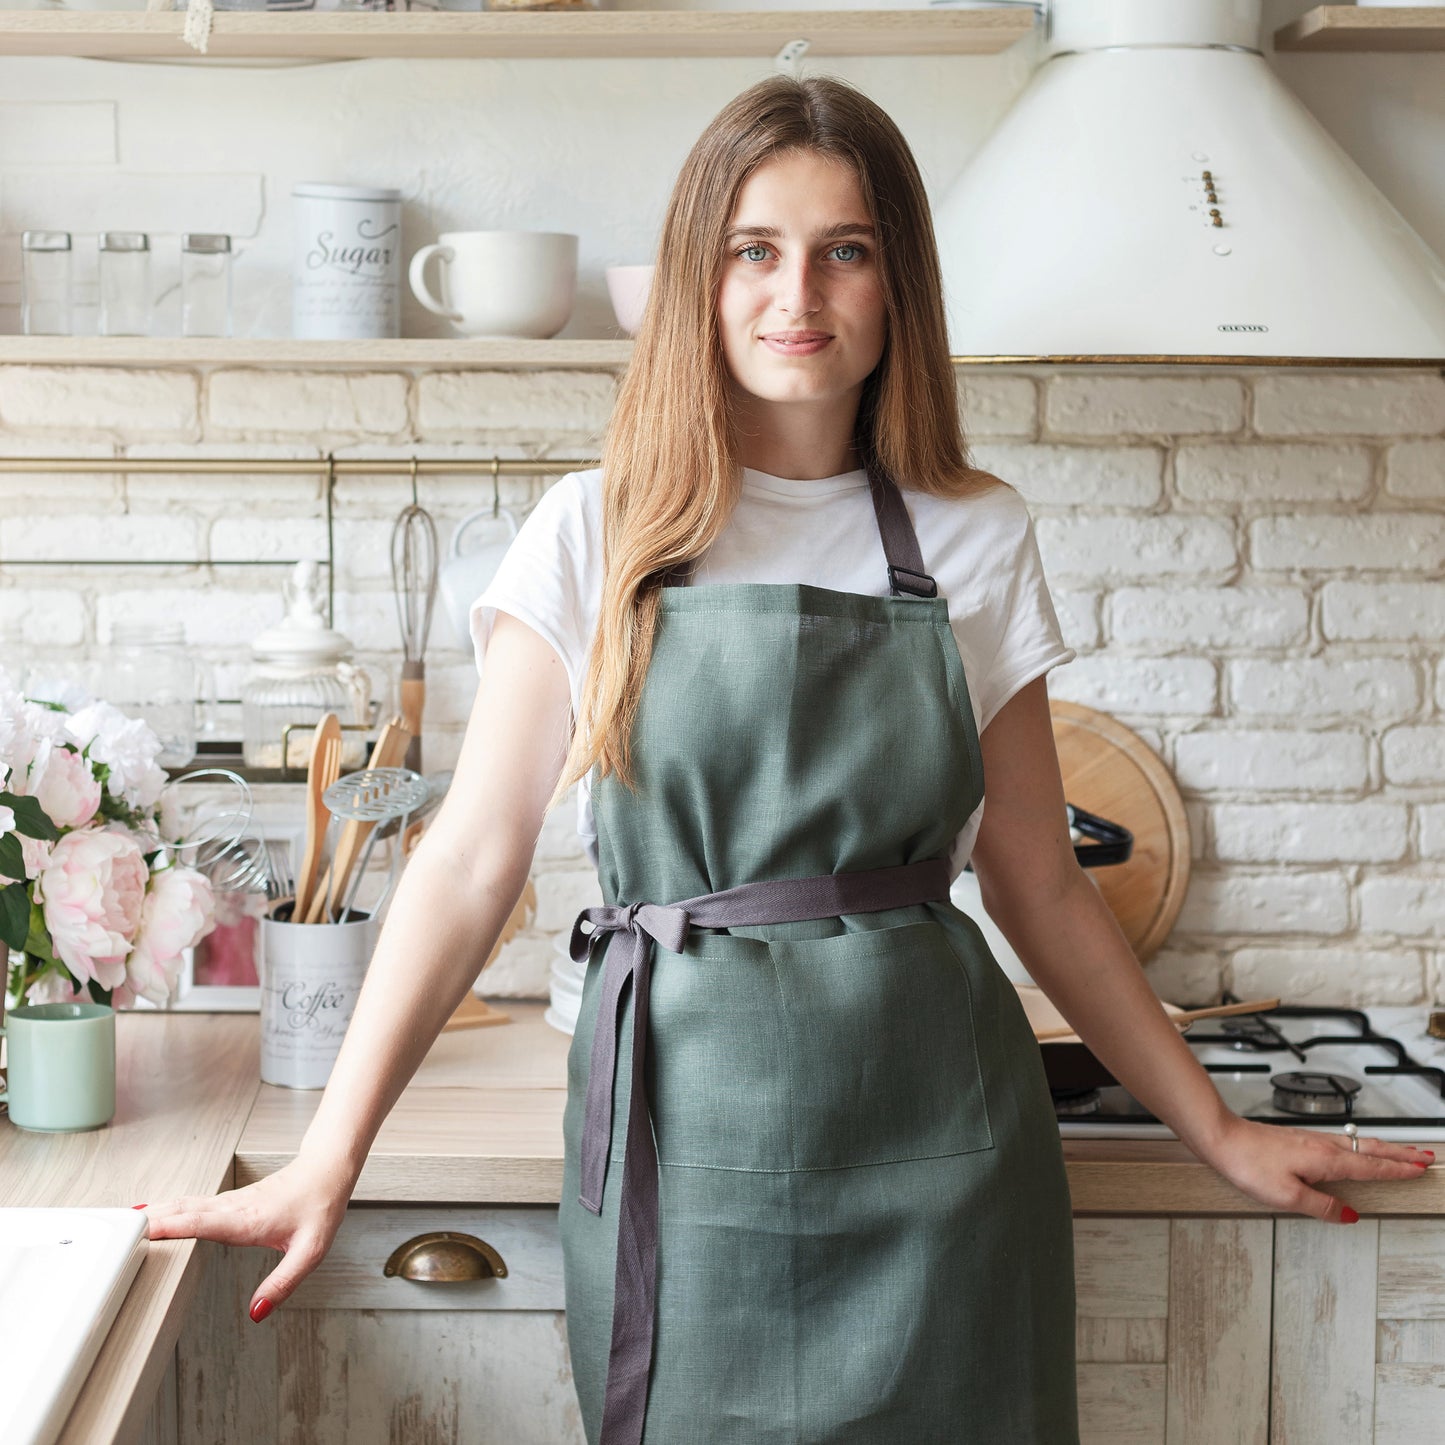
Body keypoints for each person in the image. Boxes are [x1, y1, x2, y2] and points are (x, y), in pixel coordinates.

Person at [141, 74, 1433, 1443]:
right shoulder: (598, 530)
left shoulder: (970, 534)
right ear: (698, 279)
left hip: (942, 1153)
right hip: (681, 1155)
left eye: (844, 250)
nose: (794, 291)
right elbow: (467, 860)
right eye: (753, 248)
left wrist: (1214, 1128)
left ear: (896, 289)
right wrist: (329, 1155)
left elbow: (1039, 883)